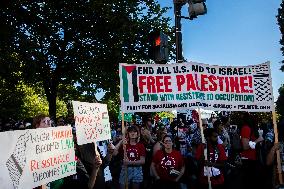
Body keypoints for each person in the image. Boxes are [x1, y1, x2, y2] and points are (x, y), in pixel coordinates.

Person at [240, 112, 264, 189]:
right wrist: (257, 140)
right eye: (254, 116)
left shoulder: (252, 129)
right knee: (249, 183)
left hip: (253, 159)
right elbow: (245, 146)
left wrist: (259, 142)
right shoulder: (246, 128)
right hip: (248, 160)